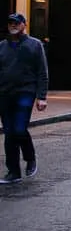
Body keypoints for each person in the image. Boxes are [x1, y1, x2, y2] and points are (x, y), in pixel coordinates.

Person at [0, 13, 48, 184]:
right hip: (5, 94)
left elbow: (42, 72)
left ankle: (30, 157)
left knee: (19, 129)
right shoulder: (2, 46)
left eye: (16, 23)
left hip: (25, 92)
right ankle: (13, 172)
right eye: (10, 23)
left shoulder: (34, 45)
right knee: (9, 133)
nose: (13, 26)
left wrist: (41, 96)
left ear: (24, 25)